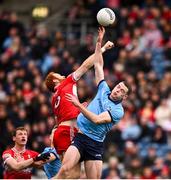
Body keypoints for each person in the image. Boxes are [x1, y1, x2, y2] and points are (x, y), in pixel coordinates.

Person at [56, 27, 132, 179]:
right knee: (65, 170)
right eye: (118, 86)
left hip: (95, 144)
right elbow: (98, 65)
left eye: (122, 91)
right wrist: (99, 42)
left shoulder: (118, 111)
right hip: (81, 137)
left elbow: (97, 120)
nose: (117, 90)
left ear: (124, 97)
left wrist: (78, 105)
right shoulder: (104, 89)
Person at [45, 39, 114, 178]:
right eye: (59, 75)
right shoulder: (66, 83)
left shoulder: (54, 98)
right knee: (70, 174)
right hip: (69, 130)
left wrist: (79, 109)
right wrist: (103, 49)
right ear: (54, 81)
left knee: (73, 174)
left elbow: (60, 116)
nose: (62, 75)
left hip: (61, 130)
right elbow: (86, 65)